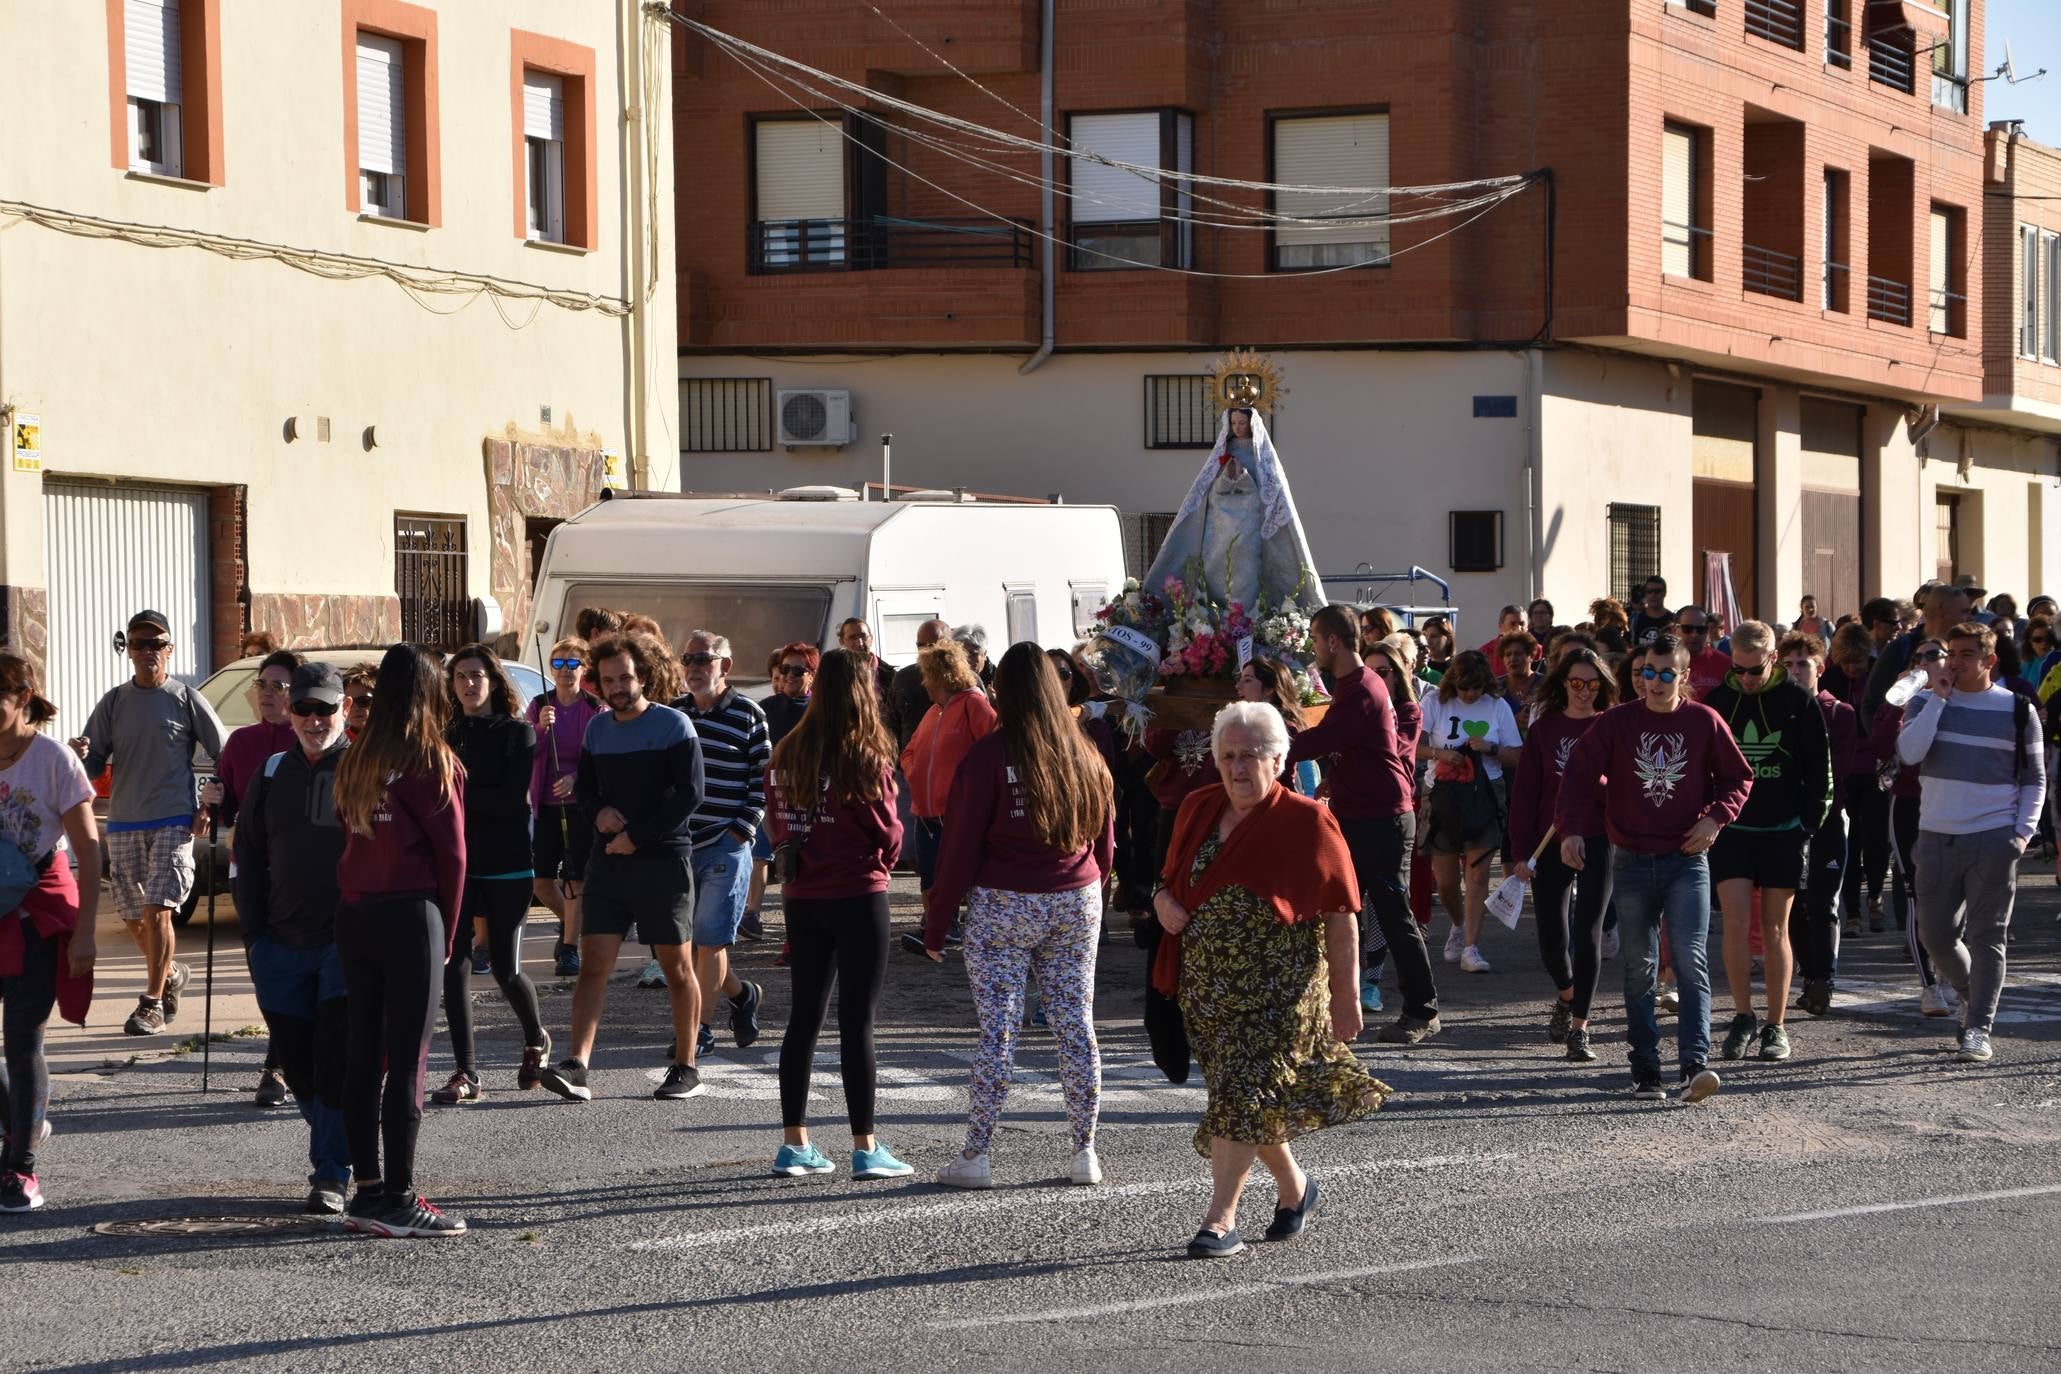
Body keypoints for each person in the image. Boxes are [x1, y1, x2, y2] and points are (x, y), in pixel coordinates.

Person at [1153, 702, 1388, 1257]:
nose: (1238, 767)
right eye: (1228, 755)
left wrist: (1346, 996)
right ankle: (1296, 1189)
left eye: (1251, 755)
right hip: (1208, 993)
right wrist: (1163, 903)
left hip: (1281, 994)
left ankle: (1220, 1220)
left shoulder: (1307, 820)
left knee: (1243, 1094)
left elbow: (1341, 912)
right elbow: (1166, 881)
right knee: (1245, 1100)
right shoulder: (1197, 807)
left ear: (1278, 760)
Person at [925, 645, 1114, 1190]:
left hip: (1004, 902)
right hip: (1076, 896)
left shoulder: (988, 757)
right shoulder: (1085, 751)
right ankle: (1085, 1150)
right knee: (1076, 1024)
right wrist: (1093, 886)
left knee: (999, 1032)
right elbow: (1106, 840)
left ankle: (977, 1154)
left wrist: (937, 924)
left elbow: (958, 849)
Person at [1557, 634, 1753, 1102]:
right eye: (1648, 672)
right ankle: (1645, 1070)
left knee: (1690, 959)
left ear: (1684, 677)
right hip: (1630, 861)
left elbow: (1738, 776)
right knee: (1639, 968)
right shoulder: (1616, 722)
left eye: (1667, 673)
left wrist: (1715, 818)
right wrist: (1571, 830)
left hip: (1688, 861)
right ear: (1638, 674)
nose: (1656, 681)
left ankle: (1693, 1066)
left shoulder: (1704, 721)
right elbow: (1578, 774)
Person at [333, 644, 467, 1238]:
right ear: (429, 692)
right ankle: (401, 1196)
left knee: (365, 1054)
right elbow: (455, 857)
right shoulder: (432, 761)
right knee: (409, 1059)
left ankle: (366, 1189)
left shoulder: (357, 757)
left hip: (356, 914)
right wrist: (449, 932)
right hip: (412, 914)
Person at [540, 634, 708, 1104]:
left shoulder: (675, 725)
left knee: (676, 967)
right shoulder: (597, 729)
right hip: (608, 863)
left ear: (644, 676)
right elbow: (586, 790)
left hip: (664, 863)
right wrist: (596, 814)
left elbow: (690, 794)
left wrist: (638, 835)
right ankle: (577, 1065)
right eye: (609, 680)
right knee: (593, 965)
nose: (617, 687)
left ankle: (686, 1066)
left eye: (625, 678)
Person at [763, 649, 910, 1181]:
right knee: (857, 1022)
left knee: (803, 1020)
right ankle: (865, 1145)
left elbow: (776, 823)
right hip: (858, 892)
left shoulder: (787, 751)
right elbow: (889, 832)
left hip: (803, 896)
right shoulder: (865, 755)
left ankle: (794, 1141)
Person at [231, 663, 354, 1214]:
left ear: (344, 710)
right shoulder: (272, 771)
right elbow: (248, 857)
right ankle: (339, 1137)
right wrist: (255, 935)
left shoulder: (364, 769)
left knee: (333, 1059)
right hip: (279, 944)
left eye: (324, 709)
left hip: (345, 944)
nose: (313, 719)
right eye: (303, 708)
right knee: (300, 1068)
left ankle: (331, 1171)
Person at [70, 609, 228, 1037]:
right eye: (139, 644)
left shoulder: (186, 698)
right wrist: (80, 755)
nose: (148, 652)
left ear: (170, 650)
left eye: (156, 644)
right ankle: (172, 974)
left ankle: (152, 1002)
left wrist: (208, 805)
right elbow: (93, 763)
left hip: (174, 820)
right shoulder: (114, 702)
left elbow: (223, 755)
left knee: (158, 912)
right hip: (124, 822)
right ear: (129, 651)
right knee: (136, 919)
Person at [1285, 606, 1439, 1042]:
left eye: (1315, 638)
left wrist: (1272, 743)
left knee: (1394, 916)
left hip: (1382, 818)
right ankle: (1331, 1002)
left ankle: (1422, 1010)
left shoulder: (1362, 690)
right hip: (1359, 815)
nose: (1312, 646)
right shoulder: (1351, 686)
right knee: (1338, 909)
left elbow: (1322, 741)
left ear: (1333, 641)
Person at [1898, 622, 2047, 1063]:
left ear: (1989, 660)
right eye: (1951, 653)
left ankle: (1978, 1026)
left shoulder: (2018, 710)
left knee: (1988, 938)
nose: (1955, 662)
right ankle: (1968, 994)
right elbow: (1910, 753)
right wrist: (1939, 699)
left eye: (1966, 654)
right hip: (1936, 834)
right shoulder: (1926, 700)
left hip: (1994, 837)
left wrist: (2021, 834)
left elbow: (2035, 778)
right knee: (1936, 934)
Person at [1700, 620, 1831, 1063]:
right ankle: (1741, 1016)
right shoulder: (1718, 700)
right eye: (1737, 669)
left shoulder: (1798, 700)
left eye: (1754, 671)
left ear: (1772, 661)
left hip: (1783, 832)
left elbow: (1820, 770)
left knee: (1776, 928)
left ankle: (1776, 1025)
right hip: (1733, 831)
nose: (1746, 679)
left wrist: (1807, 825)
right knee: (1735, 923)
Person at [0, 655, 100, 1214]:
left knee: (23, 1039)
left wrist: (86, 934)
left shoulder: (54, 759)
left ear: (22, 696)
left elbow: (88, 849)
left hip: (39, 912)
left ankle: (21, 1170)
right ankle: (22, 1123)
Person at [429, 647, 546, 1106]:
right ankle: (467, 1071)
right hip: (458, 866)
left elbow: (506, 800)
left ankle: (535, 1035)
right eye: (460, 676)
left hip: (508, 863)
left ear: (493, 681)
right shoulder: (444, 735)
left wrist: (455, 795)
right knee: (452, 963)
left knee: (503, 966)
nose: (468, 684)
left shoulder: (520, 734)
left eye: (476, 675)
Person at [203, 650, 303, 1109]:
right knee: (265, 970)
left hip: (300, 873)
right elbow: (223, 813)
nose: (267, 694)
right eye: (263, 685)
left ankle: (277, 1065)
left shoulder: (311, 740)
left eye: (278, 687)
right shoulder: (240, 743)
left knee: (295, 967)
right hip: (249, 869)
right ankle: (285, 1056)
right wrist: (213, 798)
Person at [1507, 648, 1618, 1062]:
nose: (1584, 692)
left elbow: (1626, 788)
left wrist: (1601, 782)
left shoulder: (1612, 725)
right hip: (1548, 841)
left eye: (1592, 684)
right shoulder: (1544, 730)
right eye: (1576, 683)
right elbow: (1524, 796)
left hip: (1599, 837)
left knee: (1589, 931)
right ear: (1562, 684)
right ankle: (1567, 995)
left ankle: (1580, 1028)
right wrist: (1519, 851)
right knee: (1552, 939)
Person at [672, 631, 770, 1060]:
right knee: (691, 944)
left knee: (710, 942)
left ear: (724, 666)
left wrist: (742, 831)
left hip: (725, 846)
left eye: (703, 659)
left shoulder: (750, 715)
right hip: (678, 845)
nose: (694, 667)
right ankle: (742, 994)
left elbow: (763, 781)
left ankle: (700, 1029)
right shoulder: (672, 714)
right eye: (687, 658)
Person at [1140, 406, 1327, 619]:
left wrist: (1243, 479)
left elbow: (1269, 496)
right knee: (1214, 572)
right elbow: (1206, 491)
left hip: (1249, 530)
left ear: (1252, 424)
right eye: (1234, 423)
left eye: (1242, 423)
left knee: (1247, 576)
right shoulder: (1221, 452)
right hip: (1218, 530)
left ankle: (1249, 619)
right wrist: (1225, 479)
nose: (1237, 428)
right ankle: (1211, 618)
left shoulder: (1261, 456)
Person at [1777, 633, 1865, 1017]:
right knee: (1793, 902)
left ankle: (1823, 979)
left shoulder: (1839, 712)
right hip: (1786, 822)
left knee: (1824, 901)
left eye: (1803, 664)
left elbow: (1839, 769)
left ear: (1820, 667)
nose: (1796, 671)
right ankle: (1808, 974)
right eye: (1789, 664)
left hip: (1828, 819)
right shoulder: (1777, 709)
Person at [1418, 651, 1522, 974]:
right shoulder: (1434, 701)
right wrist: (1440, 753)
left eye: (1476, 688)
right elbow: (1411, 745)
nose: (1470, 694)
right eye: (1464, 688)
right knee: (1446, 881)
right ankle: (1457, 923)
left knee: (1477, 876)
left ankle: (1471, 948)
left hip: (1486, 794)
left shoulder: (1496, 706)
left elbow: (1518, 755)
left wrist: (1489, 748)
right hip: (1442, 795)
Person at [899, 639, 998, 909]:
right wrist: (914, 773)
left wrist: (964, 786)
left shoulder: (974, 704)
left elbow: (994, 751)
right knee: (930, 879)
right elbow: (908, 751)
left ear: (942, 676)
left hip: (959, 813)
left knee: (968, 879)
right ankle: (934, 935)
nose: (923, 683)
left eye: (927, 675)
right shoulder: (932, 712)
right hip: (926, 814)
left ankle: (958, 930)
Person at [529, 639, 604, 978]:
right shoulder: (539, 705)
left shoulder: (594, 708)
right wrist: (541, 728)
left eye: (572, 665)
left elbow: (600, 757)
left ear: (584, 668)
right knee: (542, 882)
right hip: (544, 805)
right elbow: (527, 750)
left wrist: (575, 778)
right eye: (558, 664)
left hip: (580, 805)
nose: (564, 672)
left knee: (574, 878)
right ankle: (572, 923)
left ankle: (570, 948)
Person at [1359, 637, 1423, 1013]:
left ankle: (1373, 981)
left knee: (1385, 906)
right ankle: (1349, 978)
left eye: (1383, 672)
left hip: (1391, 818)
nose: (1377, 679)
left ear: (1398, 676)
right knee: (1350, 902)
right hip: (1352, 815)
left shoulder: (1409, 711)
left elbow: (1390, 751)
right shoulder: (1352, 707)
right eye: (1370, 673)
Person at [746, 641, 819, 944]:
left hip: (809, 797)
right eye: (785, 668)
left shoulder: (821, 710)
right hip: (770, 796)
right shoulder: (767, 708)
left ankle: (801, 930)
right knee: (760, 855)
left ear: (812, 675)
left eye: (798, 670)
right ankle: (752, 914)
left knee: (802, 863)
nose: (789, 675)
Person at [1863, 581, 1975, 729]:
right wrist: (1889, 745)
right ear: (1942, 612)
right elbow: (1871, 704)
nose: (1970, 618)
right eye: (1964, 611)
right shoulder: (1900, 648)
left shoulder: (1968, 650)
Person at [888, 621, 949, 755]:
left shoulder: (967, 680)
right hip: (910, 766)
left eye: (932, 645)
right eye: (921, 645)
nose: (926, 651)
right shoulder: (903, 678)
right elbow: (891, 724)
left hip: (952, 767)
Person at [836, 617, 898, 712]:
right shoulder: (835, 676)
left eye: (863, 636)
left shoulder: (891, 675)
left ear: (871, 639)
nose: (859, 642)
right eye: (852, 637)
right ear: (842, 642)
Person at [1673, 606, 1731, 698]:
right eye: (1687, 629)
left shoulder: (1725, 664)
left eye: (1701, 629)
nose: (1694, 635)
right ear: (1675, 630)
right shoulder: (1663, 663)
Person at [1499, 631, 1543, 728]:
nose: (1512, 659)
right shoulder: (1495, 687)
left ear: (1531, 656)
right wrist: (1512, 722)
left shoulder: (1545, 684)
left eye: (1518, 654)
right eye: (1508, 654)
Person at [1629, 577, 1673, 647]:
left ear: (1664, 593)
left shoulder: (1672, 620)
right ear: (1645, 594)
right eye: (1649, 591)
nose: (1653, 595)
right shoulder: (1635, 619)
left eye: (1657, 591)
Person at [342, 664, 376, 740]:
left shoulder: (394, 738)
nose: (355, 708)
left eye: (364, 701)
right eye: (348, 702)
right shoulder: (337, 743)